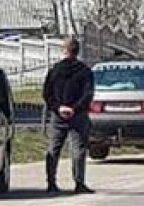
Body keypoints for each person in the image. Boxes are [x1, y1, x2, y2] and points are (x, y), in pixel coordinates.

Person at [42, 38, 95, 195]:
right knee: (78, 149)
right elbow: (88, 94)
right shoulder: (85, 71)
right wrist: (75, 108)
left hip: (58, 116)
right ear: (77, 51)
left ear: (64, 50)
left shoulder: (54, 71)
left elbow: (47, 93)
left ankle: (51, 183)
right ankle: (79, 183)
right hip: (78, 115)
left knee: (53, 149)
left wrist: (58, 108)